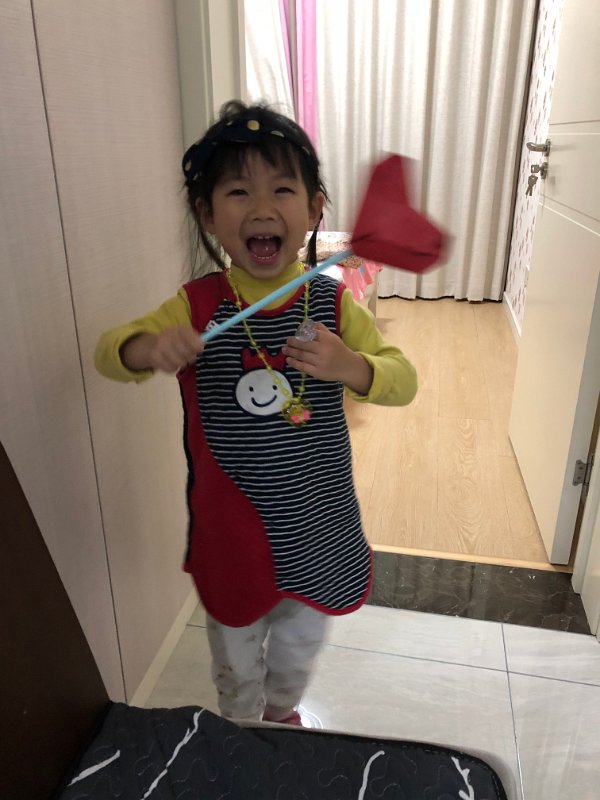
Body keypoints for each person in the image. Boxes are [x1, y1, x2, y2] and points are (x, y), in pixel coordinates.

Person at [95, 100, 417, 725]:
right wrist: (148, 348)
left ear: (315, 210)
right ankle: (241, 726)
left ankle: (283, 712)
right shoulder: (195, 306)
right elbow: (111, 352)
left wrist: (353, 366)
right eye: (239, 191)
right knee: (236, 664)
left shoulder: (333, 303)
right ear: (207, 214)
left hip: (318, 524)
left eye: (283, 190)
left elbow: (402, 380)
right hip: (231, 532)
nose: (263, 208)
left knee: (297, 651)